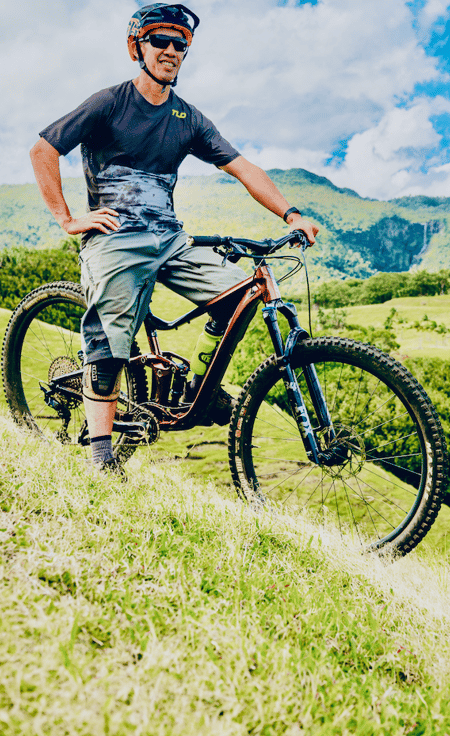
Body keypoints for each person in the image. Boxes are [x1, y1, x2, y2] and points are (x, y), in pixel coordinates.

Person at [30, 2, 321, 476]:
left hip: (170, 241)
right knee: (109, 346)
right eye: (159, 41)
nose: (171, 50)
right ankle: (101, 457)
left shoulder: (188, 118)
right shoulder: (109, 102)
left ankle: (196, 396)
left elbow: (243, 168)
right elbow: (43, 149)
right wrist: (67, 219)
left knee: (237, 299)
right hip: (115, 239)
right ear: (136, 47)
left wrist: (290, 212)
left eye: (180, 44)